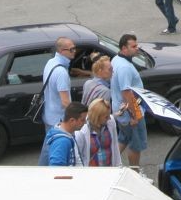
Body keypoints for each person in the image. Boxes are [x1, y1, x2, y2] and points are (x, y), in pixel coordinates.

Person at [36, 36, 76, 164]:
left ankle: (40, 171)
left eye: (74, 48)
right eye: (71, 49)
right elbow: (65, 102)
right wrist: (78, 116)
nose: (74, 51)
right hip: (58, 120)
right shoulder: (61, 72)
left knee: (48, 149)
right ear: (62, 51)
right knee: (56, 153)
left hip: (49, 115)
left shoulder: (50, 62)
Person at [111, 34, 147, 167]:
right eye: (133, 46)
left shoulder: (116, 59)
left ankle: (110, 166)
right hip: (130, 112)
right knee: (135, 145)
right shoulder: (124, 67)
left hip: (121, 110)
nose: (137, 48)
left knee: (124, 139)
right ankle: (134, 172)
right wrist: (134, 115)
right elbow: (126, 93)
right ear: (124, 48)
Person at [75, 98, 122, 167]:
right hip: (91, 172)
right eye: (106, 117)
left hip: (109, 170)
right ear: (96, 117)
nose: (109, 118)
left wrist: (118, 166)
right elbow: (78, 157)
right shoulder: (81, 131)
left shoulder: (110, 122)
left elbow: (115, 147)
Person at [44, 102, 88, 166]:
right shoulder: (62, 142)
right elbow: (56, 168)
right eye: (82, 120)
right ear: (72, 121)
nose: (85, 123)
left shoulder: (69, 134)